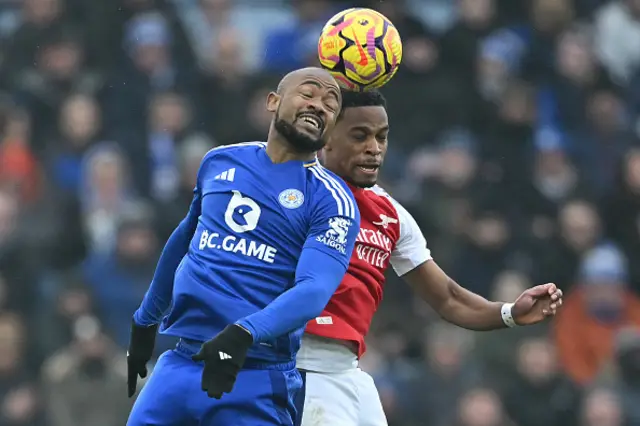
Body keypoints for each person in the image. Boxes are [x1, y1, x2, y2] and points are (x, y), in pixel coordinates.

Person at [296, 90, 564, 426]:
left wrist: (508, 312)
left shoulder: (390, 214)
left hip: (347, 370)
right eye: (359, 135)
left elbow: (448, 298)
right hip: (299, 364)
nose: (374, 148)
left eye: (382, 137)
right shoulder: (295, 194)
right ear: (328, 140)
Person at [125, 67, 361, 426]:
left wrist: (243, 334)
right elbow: (185, 238)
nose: (319, 106)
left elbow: (314, 289)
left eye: (331, 104)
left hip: (256, 376)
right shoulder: (220, 161)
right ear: (273, 101)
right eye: (309, 94)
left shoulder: (331, 199)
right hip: (180, 363)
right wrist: (145, 320)